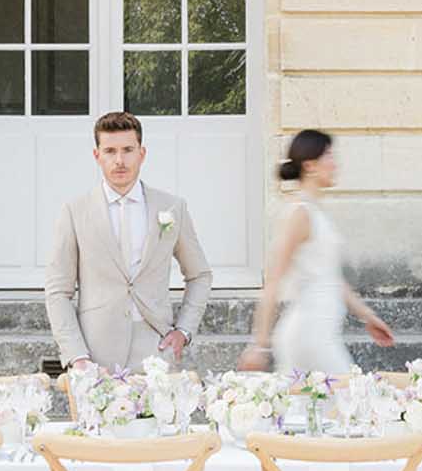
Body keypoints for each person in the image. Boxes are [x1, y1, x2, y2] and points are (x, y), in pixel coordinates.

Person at [45, 111, 213, 370]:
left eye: (128, 150)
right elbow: (58, 291)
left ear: (142, 153)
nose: (119, 160)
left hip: (157, 353)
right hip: (94, 357)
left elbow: (199, 274)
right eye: (110, 151)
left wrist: (184, 331)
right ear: (97, 155)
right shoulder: (74, 212)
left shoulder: (172, 207)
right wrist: (76, 354)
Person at [238, 129, 395, 375]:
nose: (335, 164)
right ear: (310, 166)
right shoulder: (299, 214)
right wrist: (259, 344)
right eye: (329, 156)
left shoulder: (314, 211)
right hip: (309, 335)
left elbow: (330, 277)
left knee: (320, 409)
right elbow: (274, 280)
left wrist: (368, 316)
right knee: (348, 403)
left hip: (321, 332)